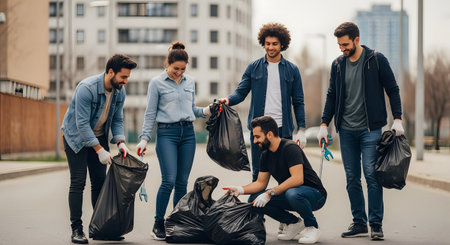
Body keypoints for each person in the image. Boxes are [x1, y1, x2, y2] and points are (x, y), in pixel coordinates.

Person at [317, 22, 405, 240]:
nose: (342, 48)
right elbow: (331, 95)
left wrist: (397, 119)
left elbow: (392, 90)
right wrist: (323, 124)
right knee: (351, 177)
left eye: (345, 44)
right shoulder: (338, 64)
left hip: (370, 130)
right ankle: (359, 222)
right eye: (339, 45)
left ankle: (375, 224)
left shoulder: (376, 60)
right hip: (345, 131)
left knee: (371, 175)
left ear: (356, 39)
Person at [136, 41, 211, 241]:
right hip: (166, 134)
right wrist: (144, 139)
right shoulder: (156, 83)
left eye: (183, 69)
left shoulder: (190, 82)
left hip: (188, 134)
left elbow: (191, 109)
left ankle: (177, 222)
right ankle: (158, 223)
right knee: (168, 180)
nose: (179, 72)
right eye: (175, 68)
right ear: (167, 63)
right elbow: (150, 113)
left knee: (181, 183)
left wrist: (206, 111)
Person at [61, 54, 137, 244]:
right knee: (78, 182)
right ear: (110, 72)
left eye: (127, 77)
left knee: (100, 184)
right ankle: (76, 229)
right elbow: (82, 125)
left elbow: (118, 119)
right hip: (76, 138)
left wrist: (120, 142)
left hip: (99, 136)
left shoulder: (120, 91)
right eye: (123, 77)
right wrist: (99, 149)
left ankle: (100, 228)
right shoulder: (86, 89)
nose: (125, 82)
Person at [219, 22, 306, 182]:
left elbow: (298, 101)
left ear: (282, 45)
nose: (271, 47)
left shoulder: (292, 70)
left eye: (274, 44)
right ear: (263, 44)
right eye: (267, 44)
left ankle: (282, 206)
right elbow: (241, 92)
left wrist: (302, 129)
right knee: (258, 174)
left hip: (283, 130)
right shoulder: (253, 67)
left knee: (286, 176)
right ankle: (256, 206)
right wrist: (227, 100)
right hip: (259, 130)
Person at [224, 116, 326, 244]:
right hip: (293, 195)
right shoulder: (265, 155)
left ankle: (312, 227)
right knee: (254, 199)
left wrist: (270, 192)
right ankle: (293, 223)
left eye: (257, 136)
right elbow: (260, 183)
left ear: (270, 134)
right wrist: (240, 189)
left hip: (315, 195)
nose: (255, 141)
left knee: (292, 193)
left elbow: (297, 179)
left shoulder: (290, 148)